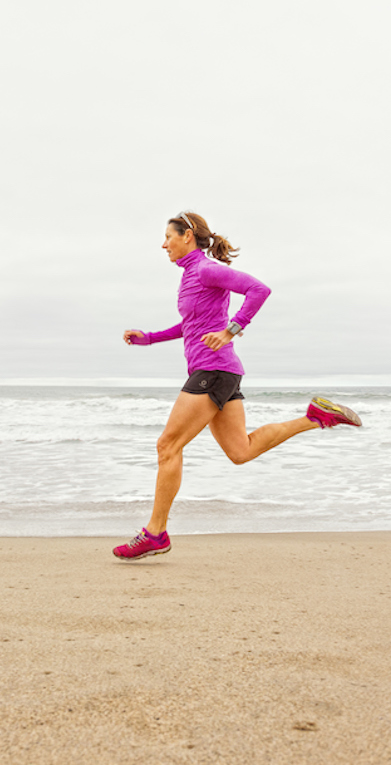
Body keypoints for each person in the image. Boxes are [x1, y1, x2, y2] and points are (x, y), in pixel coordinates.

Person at [112, 211, 362, 560]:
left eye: (168, 236)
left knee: (167, 445)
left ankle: (155, 533)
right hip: (222, 371)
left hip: (213, 370)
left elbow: (259, 290)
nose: (163, 244)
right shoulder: (190, 276)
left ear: (188, 236)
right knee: (240, 451)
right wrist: (149, 338)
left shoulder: (205, 269)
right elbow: (191, 324)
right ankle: (316, 417)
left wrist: (232, 329)